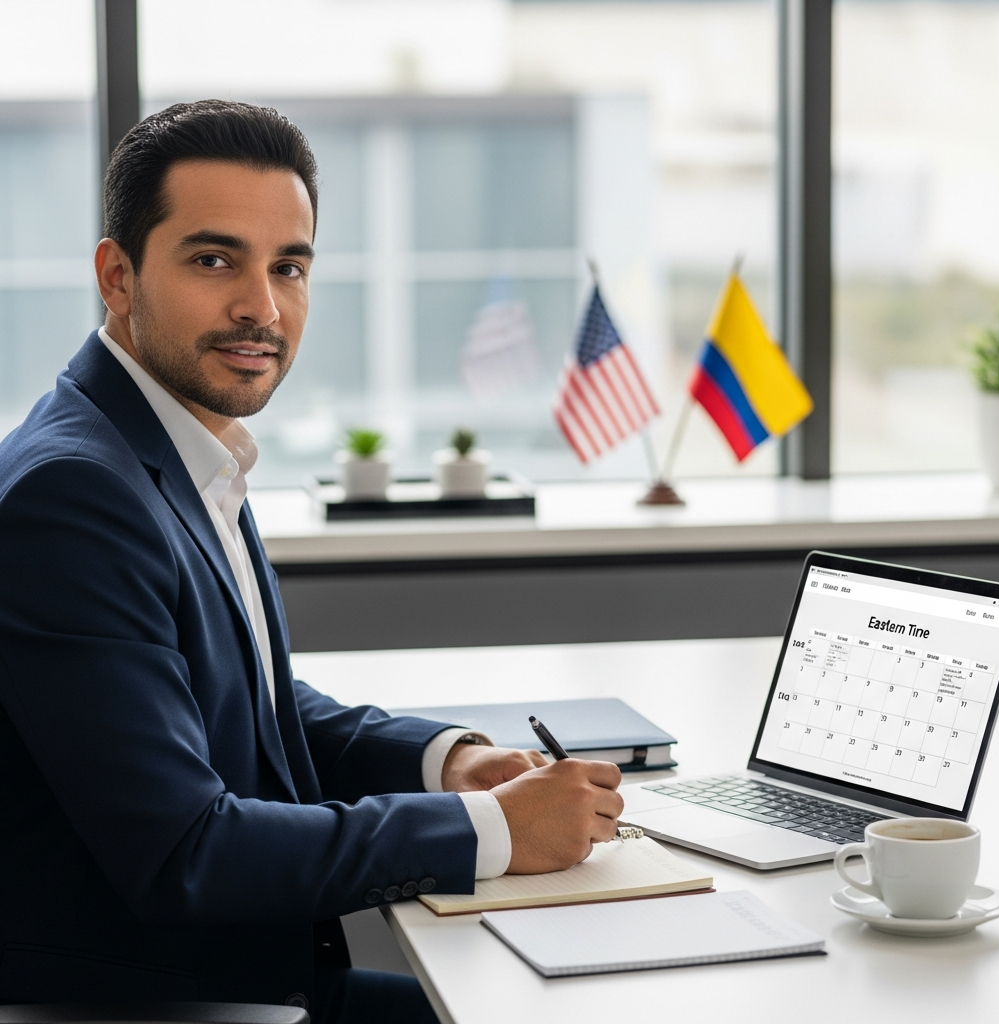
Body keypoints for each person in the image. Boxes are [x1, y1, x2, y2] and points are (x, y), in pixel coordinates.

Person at [0, 100, 623, 1024]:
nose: (262, 305)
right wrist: (491, 830)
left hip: (226, 978)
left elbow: (241, 703)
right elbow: (187, 853)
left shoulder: (173, 445)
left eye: (287, 267)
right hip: (151, 1002)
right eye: (215, 261)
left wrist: (443, 765)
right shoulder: (74, 497)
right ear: (117, 276)